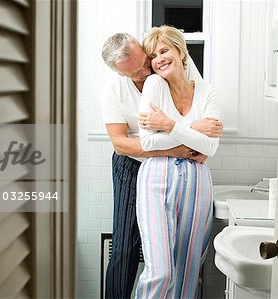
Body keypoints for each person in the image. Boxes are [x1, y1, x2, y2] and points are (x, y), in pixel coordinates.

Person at [101, 33, 222, 299]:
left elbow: (206, 128)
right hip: (132, 164)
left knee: (185, 256)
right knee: (125, 247)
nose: (147, 71)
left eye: (146, 61)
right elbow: (121, 144)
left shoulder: (173, 71)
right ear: (122, 74)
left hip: (180, 166)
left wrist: (195, 140)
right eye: (136, 72)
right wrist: (185, 141)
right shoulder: (116, 89)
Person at [135, 25, 221, 298]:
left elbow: (210, 146)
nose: (158, 59)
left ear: (180, 51)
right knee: (161, 271)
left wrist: (168, 125)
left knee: (187, 270)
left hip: (197, 183)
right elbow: (149, 142)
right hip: (156, 177)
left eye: (164, 50)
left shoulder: (208, 91)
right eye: (153, 56)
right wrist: (194, 129)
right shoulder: (154, 85)